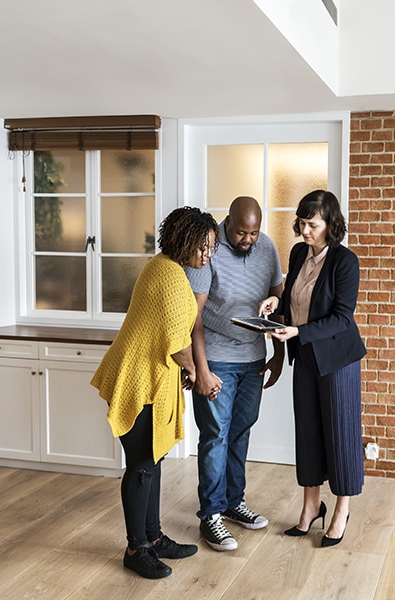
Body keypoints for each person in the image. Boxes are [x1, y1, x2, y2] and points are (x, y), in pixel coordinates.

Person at [91, 207, 219, 578]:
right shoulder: (167, 276)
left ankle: (152, 538)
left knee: (153, 459)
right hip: (138, 380)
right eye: (203, 246)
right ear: (183, 240)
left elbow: (175, 337)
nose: (206, 254)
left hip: (151, 378)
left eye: (211, 248)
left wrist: (192, 370)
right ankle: (135, 549)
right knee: (142, 467)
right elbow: (177, 343)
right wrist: (198, 373)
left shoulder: (169, 268)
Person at [259, 189, 366, 548]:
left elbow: (341, 318)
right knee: (307, 432)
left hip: (337, 361)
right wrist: (278, 303)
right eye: (302, 223)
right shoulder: (297, 252)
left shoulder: (345, 261)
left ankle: (341, 509)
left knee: (340, 434)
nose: (304, 230)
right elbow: (295, 295)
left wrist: (298, 331)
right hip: (303, 355)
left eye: (313, 224)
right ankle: (310, 506)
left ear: (330, 224)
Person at [185, 196, 284, 552]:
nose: (248, 239)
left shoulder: (268, 247)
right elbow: (193, 317)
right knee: (215, 435)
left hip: (253, 358)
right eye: (242, 232)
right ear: (228, 223)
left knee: (240, 432)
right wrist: (202, 369)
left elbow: (277, 301)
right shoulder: (208, 249)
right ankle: (210, 513)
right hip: (217, 359)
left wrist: (277, 353)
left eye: (254, 233)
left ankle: (231, 501)